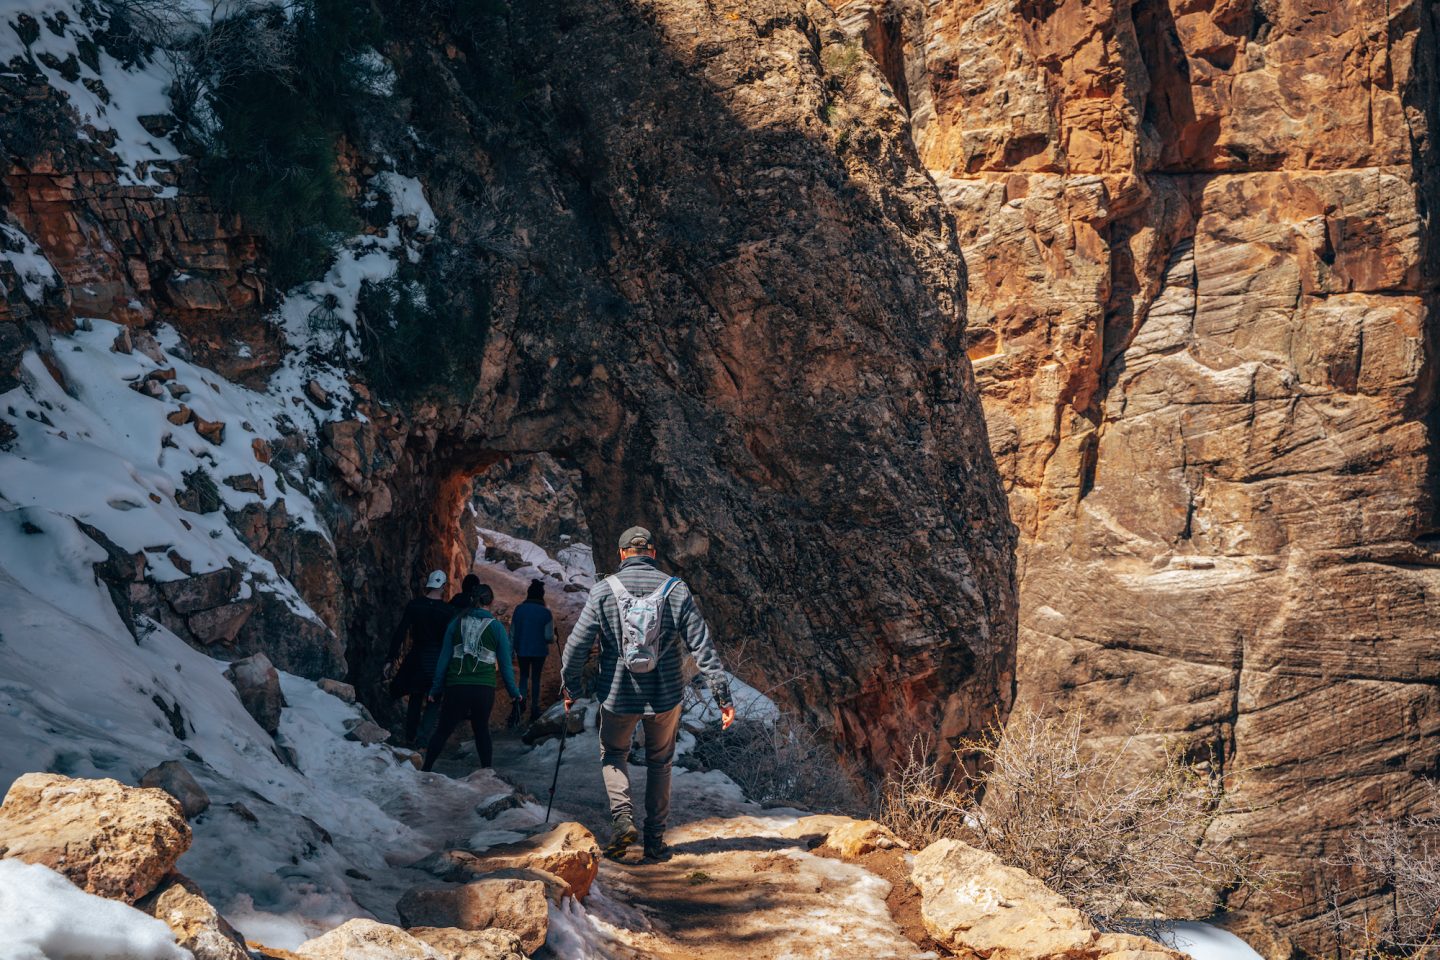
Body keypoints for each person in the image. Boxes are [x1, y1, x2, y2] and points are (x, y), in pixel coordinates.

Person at [561, 525, 734, 862]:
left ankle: (623, 819)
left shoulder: (602, 591)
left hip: (617, 693)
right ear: (653, 554)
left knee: (613, 754)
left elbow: (575, 648)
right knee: (660, 763)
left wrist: (571, 688)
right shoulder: (676, 590)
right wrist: (722, 697)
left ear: (622, 554)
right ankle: (655, 840)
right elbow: (702, 647)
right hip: (665, 695)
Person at [422, 582, 524, 772]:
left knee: (443, 729)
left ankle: (426, 768)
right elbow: (505, 665)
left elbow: (443, 659)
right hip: (483, 688)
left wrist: (436, 689)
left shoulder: (456, 623)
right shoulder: (496, 627)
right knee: (481, 730)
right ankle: (487, 773)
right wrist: (514, 692)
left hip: (456, 686)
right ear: (490, 602)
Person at [385, 569, 456, 746]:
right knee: (434, 699)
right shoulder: (448, 611)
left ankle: (410, 736)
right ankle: (423, 739)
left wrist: (390, 658)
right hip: (437, 659)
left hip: (417, 657)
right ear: (444, 586)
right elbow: (451, 641)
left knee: (416, 698)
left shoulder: (415, 605)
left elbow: (401, 632)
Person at [510, 578, 554, 723]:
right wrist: (554, 637)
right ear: (541, 595)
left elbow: (513, 633)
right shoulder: (546, 613)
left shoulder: (519, 610)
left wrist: (511, 650)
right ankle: (534, 708)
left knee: (523, 677)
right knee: (536, 679)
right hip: (539, 651)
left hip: (522, 649)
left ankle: (520, 705)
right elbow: (548, 636)